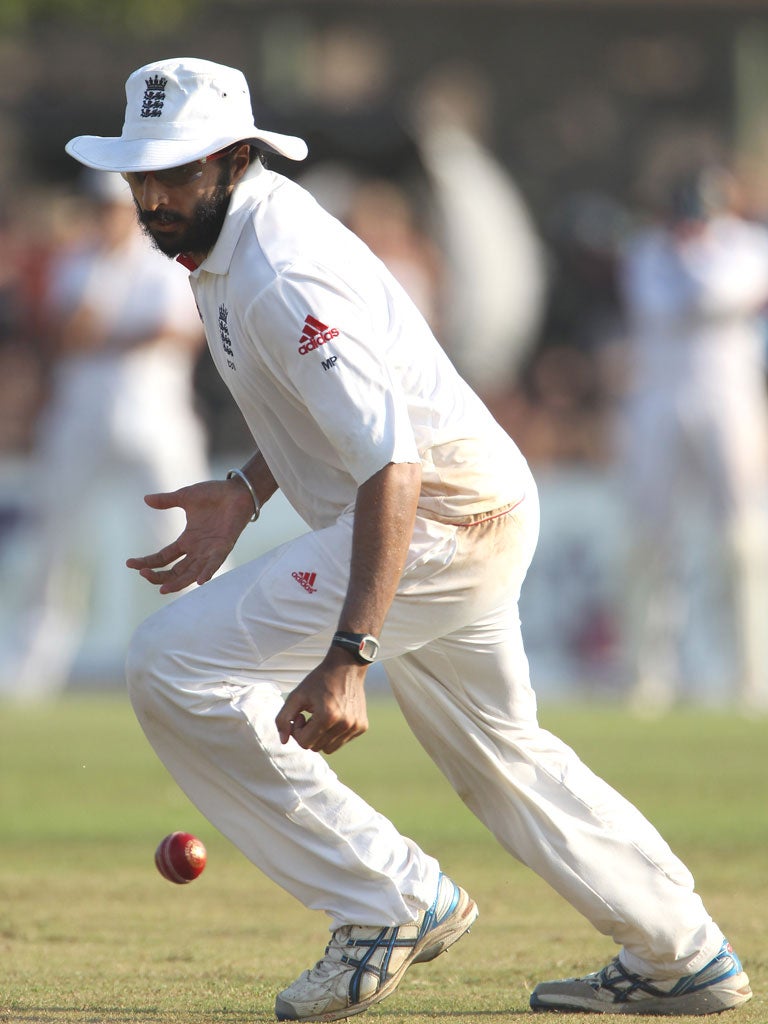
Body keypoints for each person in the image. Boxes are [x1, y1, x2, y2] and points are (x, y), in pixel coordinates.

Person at [65, 58, 751, 1020]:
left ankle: (388, 900)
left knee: (171, 666)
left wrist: (351, 655)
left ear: (232, 158)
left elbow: (393, 463)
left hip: (436, 518)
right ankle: (686, 955)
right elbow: (328, 409)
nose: (154, 196)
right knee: (505, 759)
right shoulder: (231, 238)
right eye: (141, 175)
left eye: (175, 173)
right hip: (468, 505)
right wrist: (244, 489)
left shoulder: (278, 270)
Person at [0, 169, 208, 699]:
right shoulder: (75, 263)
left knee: (181, 539)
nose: (108, 220)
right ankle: (30, 672)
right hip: (80, 418)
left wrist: (106, 334)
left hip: (154, 420)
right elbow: (63, 334)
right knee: (56, 545)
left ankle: (203, 660)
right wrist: (114, 333)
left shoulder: (163, 261)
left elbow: (178, 333)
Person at [618, 165, 768, 713]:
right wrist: (688, 257)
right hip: (658, 402)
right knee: (648, 541)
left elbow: (722, 294)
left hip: (730, 401)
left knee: (742, 540)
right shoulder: (647, 252)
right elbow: (658, 304)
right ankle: (648, 676)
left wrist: (697, 254)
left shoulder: (749, 246)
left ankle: (751, 677)